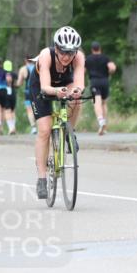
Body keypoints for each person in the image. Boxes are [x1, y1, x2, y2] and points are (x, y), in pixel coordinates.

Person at [30, 26, 86, 199]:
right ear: (56, 47)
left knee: (77, 99)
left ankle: (70, 132)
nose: (66, 57)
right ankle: (41, 178)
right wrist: (56, 91)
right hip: (42, 86)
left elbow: (79, 83)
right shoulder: (46, 55)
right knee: (45, 129)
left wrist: (75, 91)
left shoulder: (79, 58)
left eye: (71, 53)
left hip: (65, 82)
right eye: (62, 52)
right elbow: (46, 87)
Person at [85, 41, 117, 135]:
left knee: (96, 102)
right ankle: (104, 125)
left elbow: (82, 70)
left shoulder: (88, 59)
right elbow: (112, 68)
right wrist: (110, 72)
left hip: (94, 81)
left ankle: (100, 120)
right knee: (103, 103)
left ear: (92, 49)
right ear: (100, 48)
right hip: (105, 81)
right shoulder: (105, 58)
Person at [16, 55, 38, 134]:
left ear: (25, 60)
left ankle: (33, 127)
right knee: (38, 108)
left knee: (29, 110)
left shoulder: (23, 69)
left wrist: (14, 85)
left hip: (28, 91)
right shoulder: (37, 66)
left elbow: (19, 83)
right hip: (38, 91)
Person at [2, 60, 17, 135]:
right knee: (13, 111)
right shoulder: (13, 74)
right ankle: (13, 127)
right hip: (13, 93)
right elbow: (17, 83)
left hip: (5, 92)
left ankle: (11, 128)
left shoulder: (3, 74)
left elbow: (8, 80)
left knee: (7, 111)